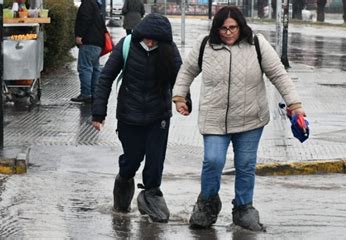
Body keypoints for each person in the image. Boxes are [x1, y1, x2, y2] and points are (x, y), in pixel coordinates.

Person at [172, 6, 305, 231]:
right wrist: (179, 97)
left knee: (245, 165)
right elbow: (186, 71)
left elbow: (278, 74)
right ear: (217, 28)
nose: (228, 32)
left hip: (250, 119)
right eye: (223, 28)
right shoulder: (206, 45)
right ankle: (207, 204)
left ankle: (244, 209)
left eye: (233, 27)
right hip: (214, 119)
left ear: (240, 26)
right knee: (213, 161)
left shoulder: (257, 44)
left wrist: (295, 105)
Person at [92, 13, 183, 223]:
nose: (150, 41)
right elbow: (105, 78)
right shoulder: (126, 45)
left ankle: (151, 196)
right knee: (131, 161)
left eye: (155, 38)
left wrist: (183, 100)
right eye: (147, 37)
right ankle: (123, 189)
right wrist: (99, 113)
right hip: (129, 115)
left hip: (158, 116)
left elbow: (180, 78)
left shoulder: (168, 50)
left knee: (155, 160)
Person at [71, 0, 106, 103]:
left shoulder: (87, 3)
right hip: (98, 42)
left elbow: (84, 20)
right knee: (95, 68)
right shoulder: (96, 4)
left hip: (89, 41)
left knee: (85, 68)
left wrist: (79, 35)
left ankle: (86, 94)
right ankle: (94, 93)